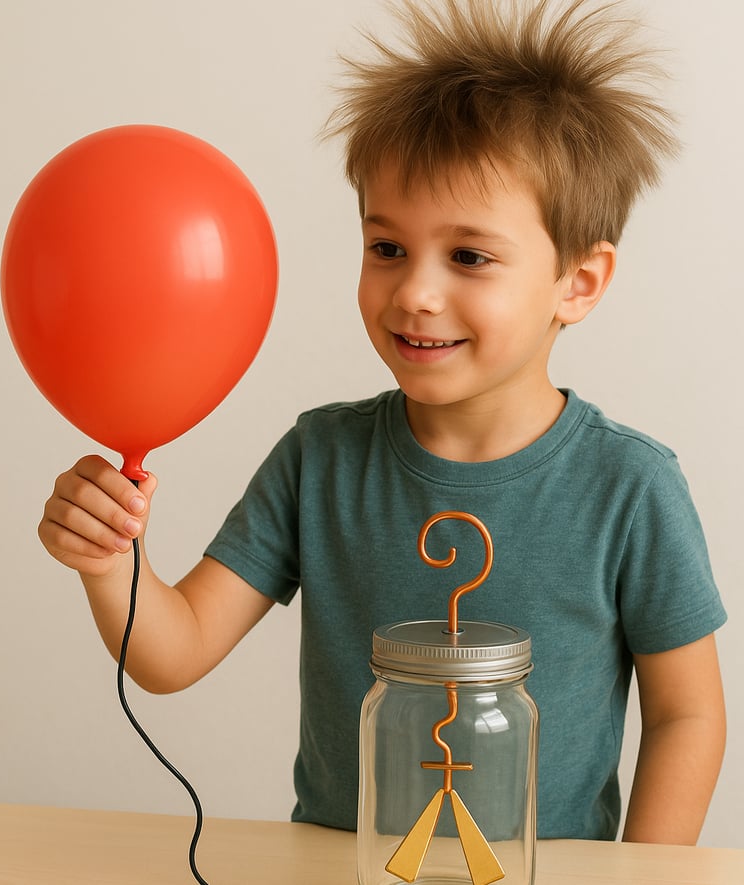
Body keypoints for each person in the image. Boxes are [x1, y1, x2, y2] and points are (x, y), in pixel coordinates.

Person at [39, 0, 726, 845]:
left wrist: (639, 875)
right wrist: (110, 561)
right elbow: (171, 654)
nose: (414, 293)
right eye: (387, 247)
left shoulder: (631, 487)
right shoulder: (319, 458)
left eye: (468, 256)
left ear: (577, 283)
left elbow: (688, 714)